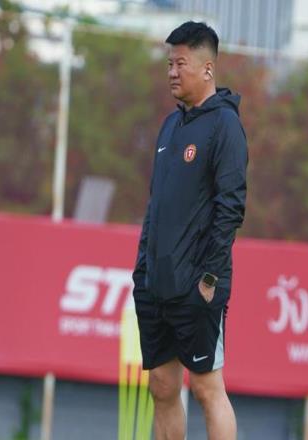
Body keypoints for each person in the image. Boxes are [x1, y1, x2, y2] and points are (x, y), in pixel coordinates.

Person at [132, 21, 248, 440]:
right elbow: (156, 204)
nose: (172, 72)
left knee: (206, 388)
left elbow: (231, 208)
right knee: (162, 387)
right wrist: (142, 270)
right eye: (169, 64)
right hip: (156, 283)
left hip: (198, 286)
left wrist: (209, 279)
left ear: (207, 68)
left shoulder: (225, 126)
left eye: (180, 63)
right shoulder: (170, 126)